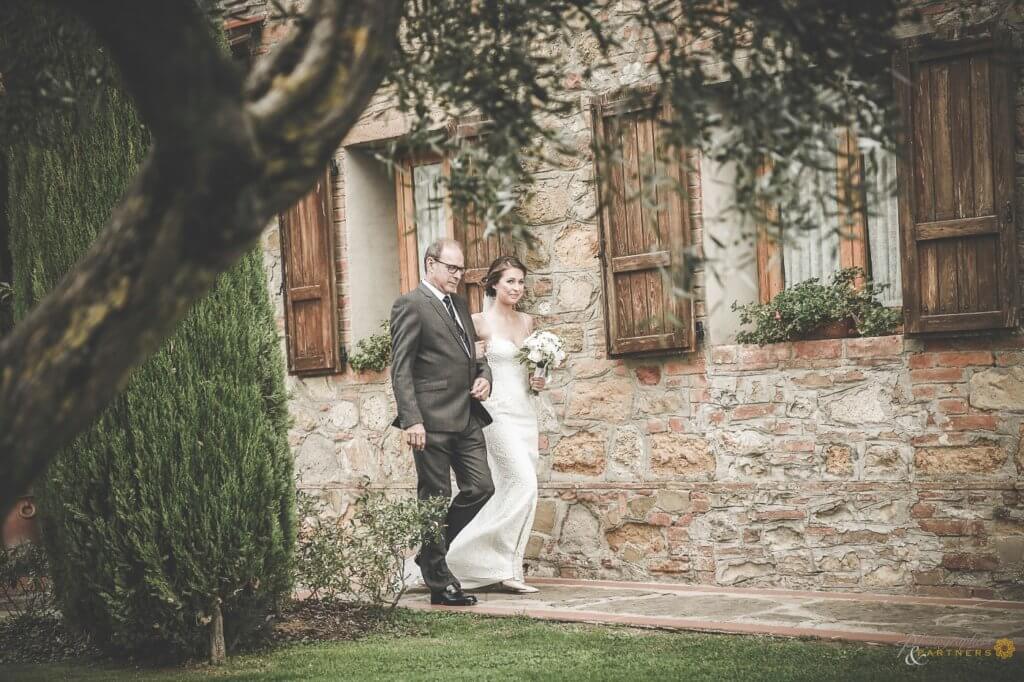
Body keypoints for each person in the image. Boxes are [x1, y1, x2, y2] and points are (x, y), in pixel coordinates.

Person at [390, 238, 494, 607]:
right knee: (434, 499)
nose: (458, 275)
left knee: (481, 487)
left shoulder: (461, 305)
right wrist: (411, 420)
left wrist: (485, 377)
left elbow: (476, 354)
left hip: (466, 415)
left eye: (461, 269)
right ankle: (440, 584)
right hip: (429, 421)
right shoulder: (411, 305)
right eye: (452, 268)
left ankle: (429, 555)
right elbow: (400, 368)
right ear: (430, 264)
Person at [444, 255, 545, 594]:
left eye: (520, 282)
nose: (517, 288)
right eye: (510, 282)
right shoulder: (478, 322)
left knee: (511, 489)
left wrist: (541, 377)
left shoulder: (528, 323)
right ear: (493, 285)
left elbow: (531, 375)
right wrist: (473, 359)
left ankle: (470, 562)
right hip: (496, 413)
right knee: (524, 483)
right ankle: (502, 567)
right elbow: (460, 363)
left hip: (525, 413)